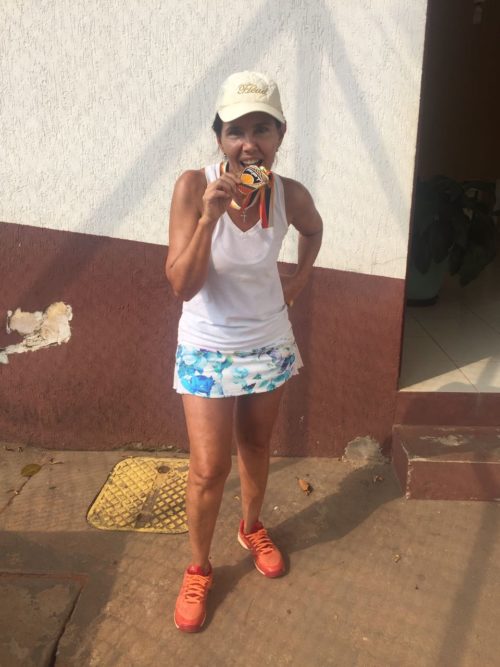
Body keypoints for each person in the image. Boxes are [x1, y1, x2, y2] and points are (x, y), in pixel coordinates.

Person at [166, 71, 323, 632]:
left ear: (280, 135)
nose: (249, 143)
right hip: (208, 347)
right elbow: (182, 285)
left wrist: (298, 282)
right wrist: (209, 218)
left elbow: (313, 229)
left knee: (256, 445)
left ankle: (251, 527)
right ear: (220, 139)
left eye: (262, 129)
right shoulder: (193, 187)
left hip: (268, 344)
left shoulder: (288, 194)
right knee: (209, 468)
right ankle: (199, 567)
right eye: (236, 131)